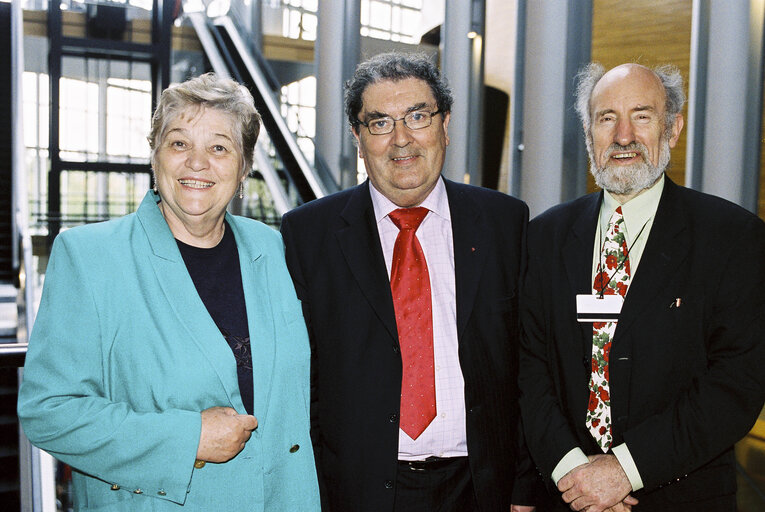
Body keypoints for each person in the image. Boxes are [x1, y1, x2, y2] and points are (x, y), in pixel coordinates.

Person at [17, 73, 320, 511]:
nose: (198, 162)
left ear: (244, 167)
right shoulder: (89, 257)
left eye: (219, 147)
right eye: (179, 143)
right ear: (155, 156)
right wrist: (188, 437)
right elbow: (49, 412)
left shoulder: (273, 248)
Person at [280, 52, 537, 512]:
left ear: (445, 124)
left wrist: (523, 486)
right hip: (358, 491)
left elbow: (528, 363)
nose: (401, 140)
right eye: (379, 123)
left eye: (417, 116)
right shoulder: (307, 234)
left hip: (481, 488)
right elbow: (300, 376)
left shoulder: (504, 223)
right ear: (358, 139)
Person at [519, 62, 765, 512]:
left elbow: (737, 383)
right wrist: (572, 472)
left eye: (643, 116)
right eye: (606, 117)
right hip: (564, 496)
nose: (624, 135)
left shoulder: (733, 237)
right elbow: (527, 368)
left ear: (672, 129)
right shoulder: (542, 237)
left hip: (681, 496)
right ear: (589, 132)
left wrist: (622, 471)